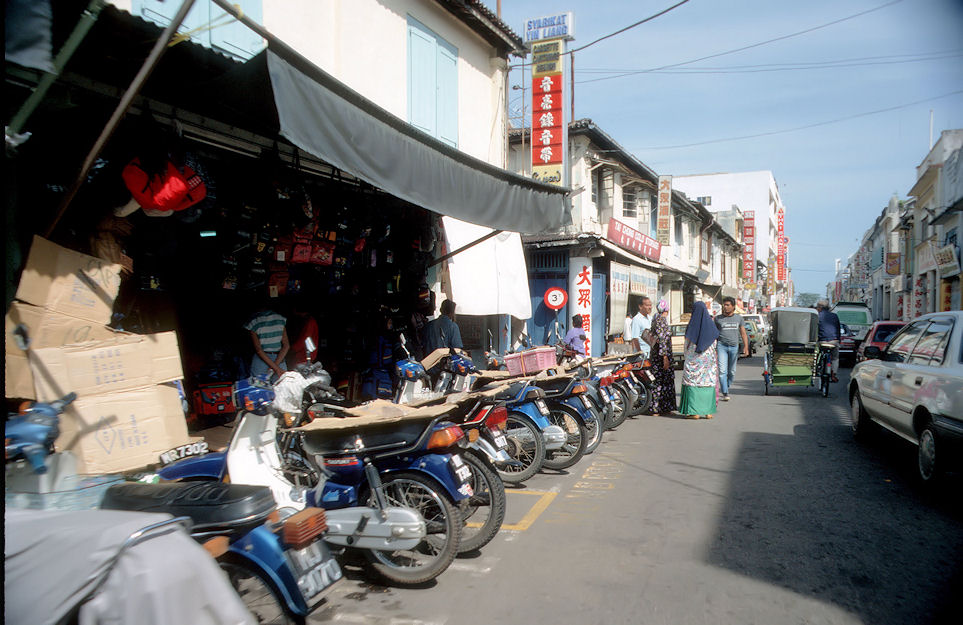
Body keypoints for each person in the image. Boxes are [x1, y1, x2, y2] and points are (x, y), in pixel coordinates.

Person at [679, 301, 720, 419]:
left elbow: (687, 343)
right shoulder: (711, 326)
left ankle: (694, 412)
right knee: (707, 382)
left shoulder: (692, 326)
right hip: (708, 361)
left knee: (692, 382)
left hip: (693, 359)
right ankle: (708, 411)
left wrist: (687, 356)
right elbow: (714, 344)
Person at [714, 296, 749, 401]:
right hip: (721, 346)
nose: (725, 307)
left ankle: (726, 386)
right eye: (724, 305)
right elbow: (713, 334)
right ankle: (725, 392)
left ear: (733, 306)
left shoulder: (739, 318)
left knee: (732, 372)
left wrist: (746, 347)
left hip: (734, 347)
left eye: (728, 305)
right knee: (722, 371)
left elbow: (743, 333)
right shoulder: (717, 319)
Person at [245, 303, 290, 382]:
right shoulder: (280, 319)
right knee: (281, 390)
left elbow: (258, 350)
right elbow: (286, 346)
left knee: (260, 390)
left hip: (261, 361)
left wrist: (275, 368)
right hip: (279, 359)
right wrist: (276, 367)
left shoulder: (253, 321)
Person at [648, 299, 677, 416]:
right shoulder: (661, 320)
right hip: (661, 357)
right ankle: (657, 408)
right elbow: (663, 339)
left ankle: (663, 407)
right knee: (662, 382)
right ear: (667, 309)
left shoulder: (655, 318)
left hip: (656, 356)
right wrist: (665, 357)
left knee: (661, 382)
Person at [287, 301, 318, 368]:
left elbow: (304, 338)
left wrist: (291, 349)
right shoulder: (308, 321)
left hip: (304, 355)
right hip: (303, 354)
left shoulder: (309, 322)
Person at [816, 299, 841, 382]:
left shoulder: (817, 316)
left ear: (820, 307)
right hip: (834, 341)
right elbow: (838, 329)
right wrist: (838, 340)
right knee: (835, 358)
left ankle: (816, 366)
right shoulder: (834, 316)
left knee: (816, 352)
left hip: (822, 341)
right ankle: (834, 374)